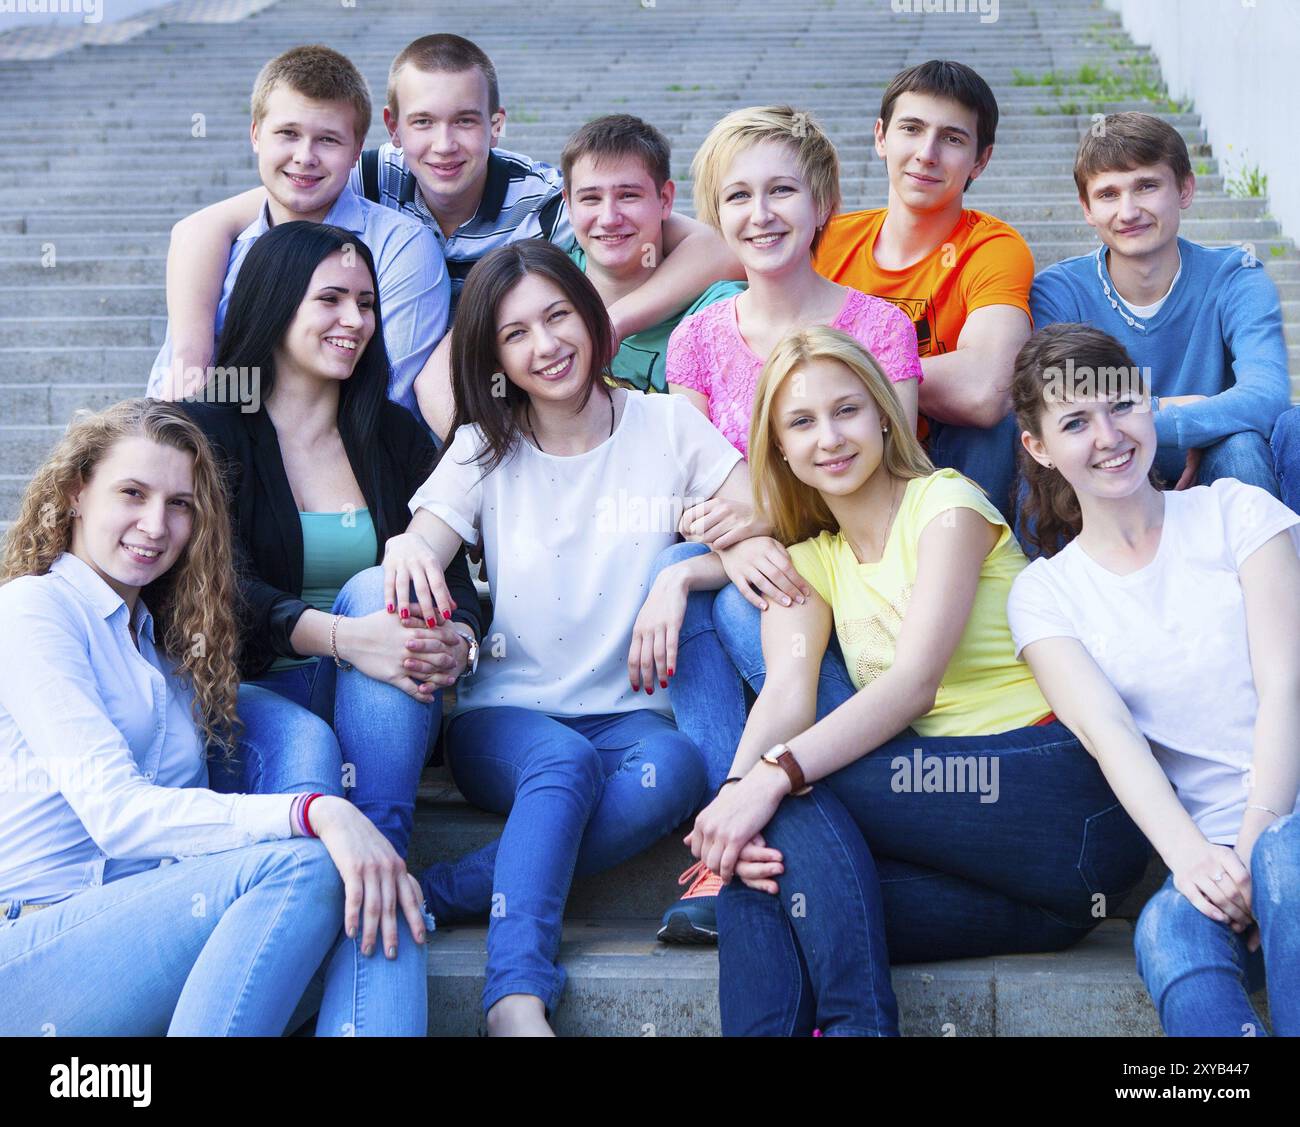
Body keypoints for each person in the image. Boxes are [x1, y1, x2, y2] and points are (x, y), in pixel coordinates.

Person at [674, 326, 1150, 1034]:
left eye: (847, 410)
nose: (830, 437)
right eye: (801, 422)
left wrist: (765, 780)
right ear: (776, 448)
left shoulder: (946, 505)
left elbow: (914, 684)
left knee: (797, 785)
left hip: (1060, 796)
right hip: (1035, 900)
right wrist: (732, 814)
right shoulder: (813, 565)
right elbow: (785, 697)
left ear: (882, 414)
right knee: (763, 881)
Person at [384, 241, 778, 1035]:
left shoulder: (668, 423)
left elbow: (765, 513)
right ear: (493, 355)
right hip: (507, 717)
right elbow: (420, 542)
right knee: (559, 763)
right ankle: (516, 996)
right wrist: (407, 546)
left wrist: (687, 569)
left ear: (590, 315)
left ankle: (445, 890)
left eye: (557, 315)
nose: (545, 345)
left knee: (676, 767)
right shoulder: (481, 445)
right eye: (515, 334)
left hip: (633, 721)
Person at [0, 399, 428, 1036]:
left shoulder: (160, 645)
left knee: (387, 893)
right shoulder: (35, 611)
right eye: (132, 493)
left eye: (180, 504)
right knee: (309, 862)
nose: (155, 523)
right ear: (75, 493)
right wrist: (316, 810)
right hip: (36, 939)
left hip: (145, 928)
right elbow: (116, 815)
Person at [171, 35, 736, 441]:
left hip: (499, 379)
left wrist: (616, 322)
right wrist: (193, 362)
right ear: (393, 128)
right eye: (423, 123)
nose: (444, 145)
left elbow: (714, 246)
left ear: (495, 124)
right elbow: (203, 225)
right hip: (411, 384)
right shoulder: (363, 175)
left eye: (465, 121)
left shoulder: (542, 200)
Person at [655, 104, 922, 938]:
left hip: (849, 565)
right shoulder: (697, 338)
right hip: (750, 573)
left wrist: (732, 548)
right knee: (709, 597)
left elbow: (887, 475)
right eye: (737, 196)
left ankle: (733, 842)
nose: (760, 214)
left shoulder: (877, 326)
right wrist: (710, 554)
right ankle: (731, 831)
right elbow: (689, 494)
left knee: (735, 597)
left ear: (821, 203)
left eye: (781, 191)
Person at [1006, 323, 1300, 1036]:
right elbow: (1111, 739)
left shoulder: (1238, 513)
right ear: (1039, 446)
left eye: (1122, 406)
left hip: (1280, 828)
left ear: (1149, 404)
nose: (1109, 435)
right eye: (1076, 421)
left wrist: (1257, 845)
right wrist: (1197, 860)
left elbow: (1287, 685)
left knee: (1287, 861)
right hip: (1214, 855)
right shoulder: (1046, 594)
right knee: (1165, 930)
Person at [181, 220, 485, 860]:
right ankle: (381, 873)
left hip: (384, 702)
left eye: (367, 303)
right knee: (380, 592)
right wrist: (348, 638)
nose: (356, 319)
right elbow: (214, 586)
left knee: (390, 584)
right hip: (253, 691)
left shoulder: (393, 437)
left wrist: (460, 641)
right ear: (275, 299)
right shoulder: (208, 428)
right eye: (331, 299)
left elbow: (450, 578)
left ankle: (385, 852)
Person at [148, 44, 449, 418]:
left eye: (328, 139)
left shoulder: (399, 247)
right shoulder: (223, 251)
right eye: (288, 133)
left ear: (357, 151)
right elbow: (174, 389)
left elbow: (388, 398)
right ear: (256, 135)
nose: (305, 156)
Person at [1029, 112, 1293, 497]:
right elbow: (1057, 406)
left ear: (1185, 189)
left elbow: (1267, 396)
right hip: (1102, 471)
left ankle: (1261, 557)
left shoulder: (1236, 276)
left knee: (1242, 447)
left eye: (1147, 186)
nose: (1129, 211)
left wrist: (1159, 419)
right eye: (1108, 194)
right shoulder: (1060, 291)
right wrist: (1190, 412)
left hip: (1213, 471)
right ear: (1087, 208)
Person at [813, 60, 1033, 520]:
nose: (927, 153)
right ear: (880, 137)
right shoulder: (824, 238)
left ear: (981, 160)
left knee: (989, 427)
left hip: (943, 466)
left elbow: (985, 389)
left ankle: (976, 567)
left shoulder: (991, 247)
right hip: (834, 459)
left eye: (952, 138)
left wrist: (830, 377)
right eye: (911, 128)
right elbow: (709, 242)